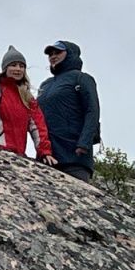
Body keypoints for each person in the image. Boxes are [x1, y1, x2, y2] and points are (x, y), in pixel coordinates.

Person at [0, 46, 56, 164]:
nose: (18, 69)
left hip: (18, 157)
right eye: (13, 65)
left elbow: (38, 127)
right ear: (5, 68)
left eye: (21, 66)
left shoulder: (28, 98)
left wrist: (45, 152)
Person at [37, 40, 100, 182]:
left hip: (75, 157)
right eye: (50, 54)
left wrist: (84, 143)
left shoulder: (82, 78)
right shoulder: (46, 84)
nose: (53, 56)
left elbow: (92, 111)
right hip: (48, 155)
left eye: (58, 52)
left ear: (70, 54)